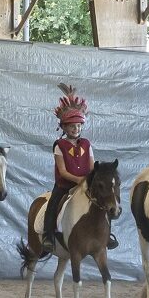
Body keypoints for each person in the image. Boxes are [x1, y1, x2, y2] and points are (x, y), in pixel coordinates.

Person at [42, 84, 117, 251]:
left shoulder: (86, 144)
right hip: (65, 185)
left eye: (79, 126)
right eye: (72, 126)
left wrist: (90, 180)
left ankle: (108, 234)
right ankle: (48, 236)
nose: (76, 129)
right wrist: (79, 180)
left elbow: (92, 167)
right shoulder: (59, 145)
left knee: (105, 201)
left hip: (86, 184)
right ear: (63, 127)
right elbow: (62, 171)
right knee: (53, 204)